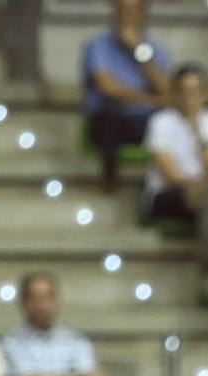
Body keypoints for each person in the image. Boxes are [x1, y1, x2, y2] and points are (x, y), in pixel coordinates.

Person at [82, 0, 171, 191]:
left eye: (132, 11)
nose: (127, 17)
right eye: (122, 10)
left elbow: (166, 90)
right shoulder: (99, 47)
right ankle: (109, 180)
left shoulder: (155, 50)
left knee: (169, 122)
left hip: (146, 120)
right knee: (110, 114)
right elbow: (109, 89)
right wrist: (152, 100)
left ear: (143, 14)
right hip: (111, 120)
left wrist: (138, 50)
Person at [144, 62, 208, 297]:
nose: (190, 97)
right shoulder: (161, 122)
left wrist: (198, 132)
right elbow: (170, 175)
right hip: (165, 196)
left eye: (195, 91)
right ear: (175, 93)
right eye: (184, 91)